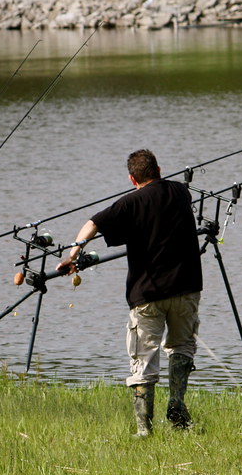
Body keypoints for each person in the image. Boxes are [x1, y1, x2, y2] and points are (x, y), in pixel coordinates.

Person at [58, 149, 202, 438]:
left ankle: (143, 429)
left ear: (131, 178)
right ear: (159, 169)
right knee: (182, 347)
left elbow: (93, 223)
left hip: (146, 294)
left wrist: (72, 254)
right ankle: (176, 403)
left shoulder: (129, 203)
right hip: (186, 288)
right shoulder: (180, 192)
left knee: (143, 358)